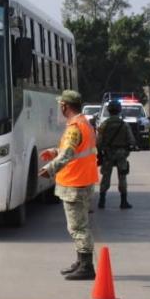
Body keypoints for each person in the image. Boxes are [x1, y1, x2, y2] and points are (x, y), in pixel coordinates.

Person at [38, 90, 99, 281]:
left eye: (61, 105)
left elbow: (68, 155)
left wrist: (50, 168)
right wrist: (54, 151)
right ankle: (81, 262)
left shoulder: (74, 127)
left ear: (65, 106)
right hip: (83, 180)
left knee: (78, 227)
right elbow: (73, 150)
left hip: (75, 182)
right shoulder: (84, 124)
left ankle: (87, 266)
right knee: (79, 225)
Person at [97, 100, 136, 209]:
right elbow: (132, 140)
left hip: (108, 154)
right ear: (119, 111)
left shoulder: (104, 124)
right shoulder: (124, 125)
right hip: (121, 154)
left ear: (109, 111)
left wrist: (101, 151)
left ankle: (102, 201)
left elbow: (98, 142)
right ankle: (123, 202)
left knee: (105, 177)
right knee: (122, 177)